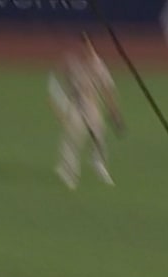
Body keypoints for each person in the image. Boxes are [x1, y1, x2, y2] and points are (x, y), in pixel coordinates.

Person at [48, 32, 123, 190]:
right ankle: (68, 172)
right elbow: (59, 79)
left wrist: (114, 111)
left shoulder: (98, 65)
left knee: (99, 136)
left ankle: (98, 163)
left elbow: (107, 88)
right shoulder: (72, 62)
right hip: (75, 104)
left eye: (88, 46)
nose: (85, 49)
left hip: (92, 105)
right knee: (72, 136)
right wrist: (60, 102)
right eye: (83, 46)